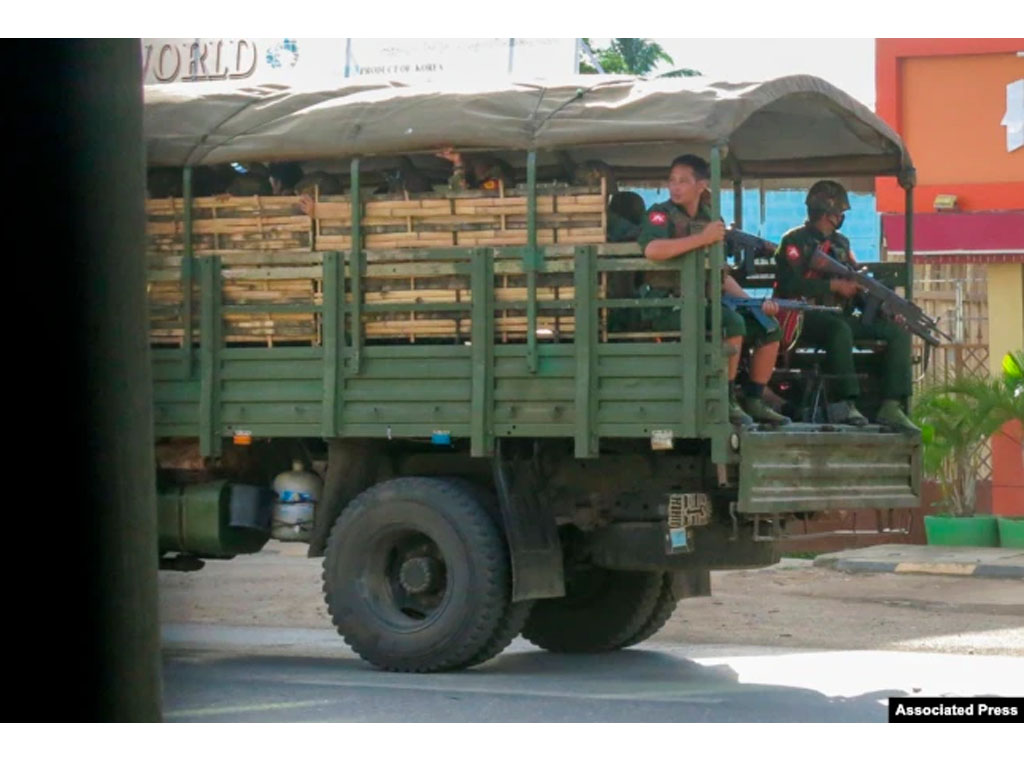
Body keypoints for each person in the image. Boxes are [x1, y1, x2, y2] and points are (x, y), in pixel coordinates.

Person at [637, 154, 789, 426]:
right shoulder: (660, 213)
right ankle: (726, 399)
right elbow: (652, 249)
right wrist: (701, 239)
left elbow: (720, 274)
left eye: (683, 181)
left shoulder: (710, 217)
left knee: (768, 326)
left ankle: (754, 399)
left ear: (701, 185)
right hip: (667, 304)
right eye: (672, 180)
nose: (675, 187)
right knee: (731, 322)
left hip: (703, 302)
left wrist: (753, 303)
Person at [774, 180, 915, 430]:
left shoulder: (841, 244)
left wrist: (884, 310)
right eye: (838, 213)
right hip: (804, 318)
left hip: (839, 315)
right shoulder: (794, 241)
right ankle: (846, 402)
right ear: (827, 215)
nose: (841, 218)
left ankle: (892, 404)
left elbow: (854, 283)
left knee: (897, 332)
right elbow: (789, 284)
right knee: (840, 329)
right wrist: (832, 287)